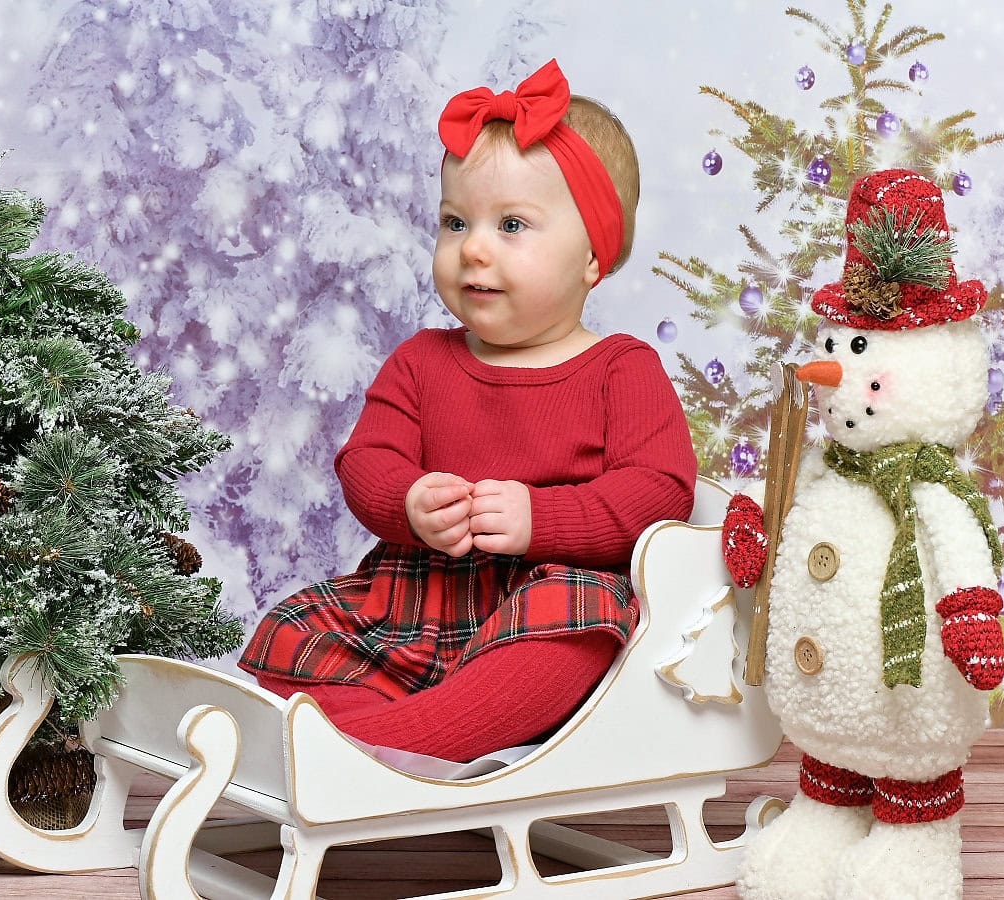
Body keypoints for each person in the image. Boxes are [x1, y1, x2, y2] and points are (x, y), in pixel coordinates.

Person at [238, 59, 697, 762]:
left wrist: (540, 518)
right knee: (294, 628)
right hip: (421, 595)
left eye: (511, 224)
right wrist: (410, 500)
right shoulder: (422, 360)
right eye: (455, 222)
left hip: (546, 590)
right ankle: (365, 739)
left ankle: (386, 751)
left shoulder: (621, 369)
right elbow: (367, 461)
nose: (473, 248)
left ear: (592, 259)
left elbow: (660, 492)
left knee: (577, 625)